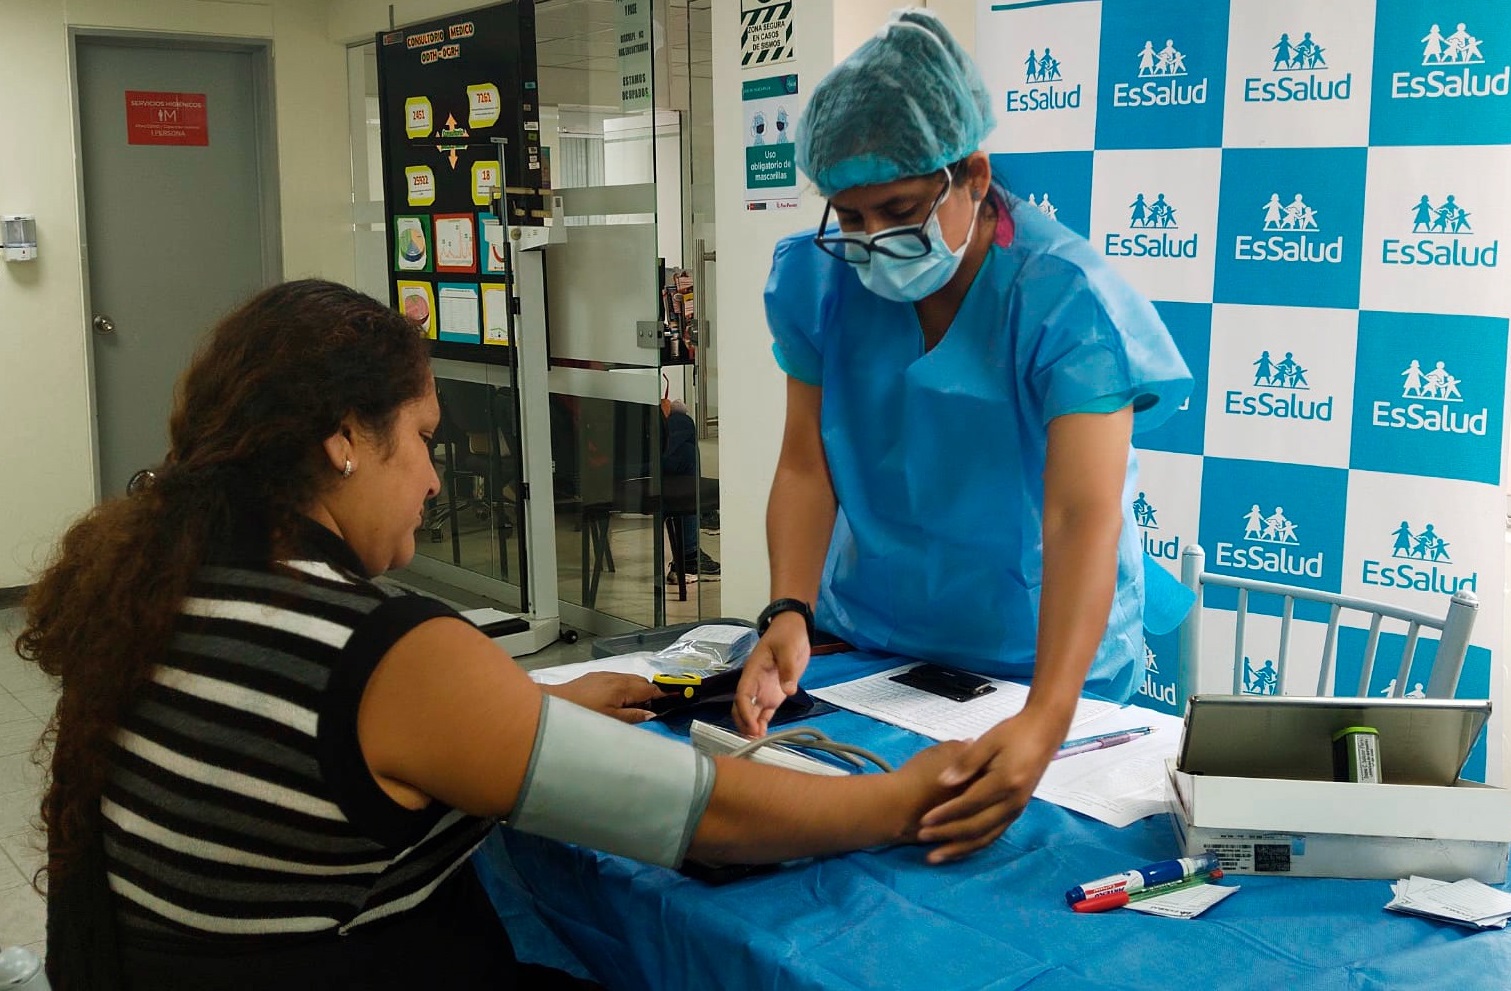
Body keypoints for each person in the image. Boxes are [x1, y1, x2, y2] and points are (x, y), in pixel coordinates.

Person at [17, 280, 967, 990]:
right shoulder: (384, 650)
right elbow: (696, 811)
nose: (435, 480)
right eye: (423, 436)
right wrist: (895, 801)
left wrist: (529, 706)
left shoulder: (171, 587)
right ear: (345, 436)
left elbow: (317, 746)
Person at [735, 10, 1191, 866]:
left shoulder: (1063, 298)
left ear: (972, 175)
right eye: (851, 216)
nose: (872, 242)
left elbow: (1080, 516)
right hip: (874, 639)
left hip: (1034, 656)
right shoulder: (819, 277)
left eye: (900, 210)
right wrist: (787, 609)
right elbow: (805, 464)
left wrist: (1045, 718)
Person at [661, 397, 720, 583]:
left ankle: (689, 556)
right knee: (684, 422)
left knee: (686, 453)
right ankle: (688, 555)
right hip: (614, 464)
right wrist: (665, 411)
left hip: (616, 458)